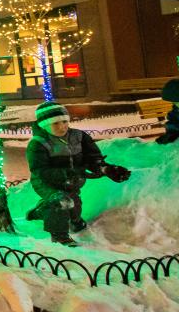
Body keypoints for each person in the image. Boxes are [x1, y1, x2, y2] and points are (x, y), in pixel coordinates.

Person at [26, 102, 131, 246]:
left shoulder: (80, 137)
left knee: (74, 210)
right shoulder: (38, 143)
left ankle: (42, 211)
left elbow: (93, 158)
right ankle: (59, 236)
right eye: (55, 123)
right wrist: (67, 173)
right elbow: (40, 170)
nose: (62, 126)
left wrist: (105, 169)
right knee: (61, 201)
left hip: (73, 180)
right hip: (46, 182)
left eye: (65, 121)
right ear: (44, 125)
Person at [157, 78, 179, 145]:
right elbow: (174, 122)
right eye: (174, 102)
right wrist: (171, 134)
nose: (176, 104)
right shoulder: (176, 111)